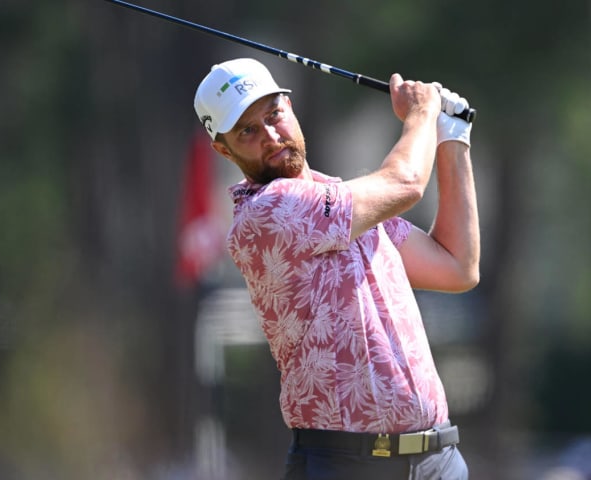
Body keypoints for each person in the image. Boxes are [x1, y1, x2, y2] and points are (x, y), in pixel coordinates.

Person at [193, 57, 479, 480]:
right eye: (247, 131)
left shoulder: (343, 200)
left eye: (273, 114)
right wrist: (422, 113)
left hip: (438, 459)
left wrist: (452, 138)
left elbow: (457, 265)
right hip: (347, 465)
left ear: (290, 107)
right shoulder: (266, 213)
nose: (271, 136)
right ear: (224, 149)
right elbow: (405, 183)